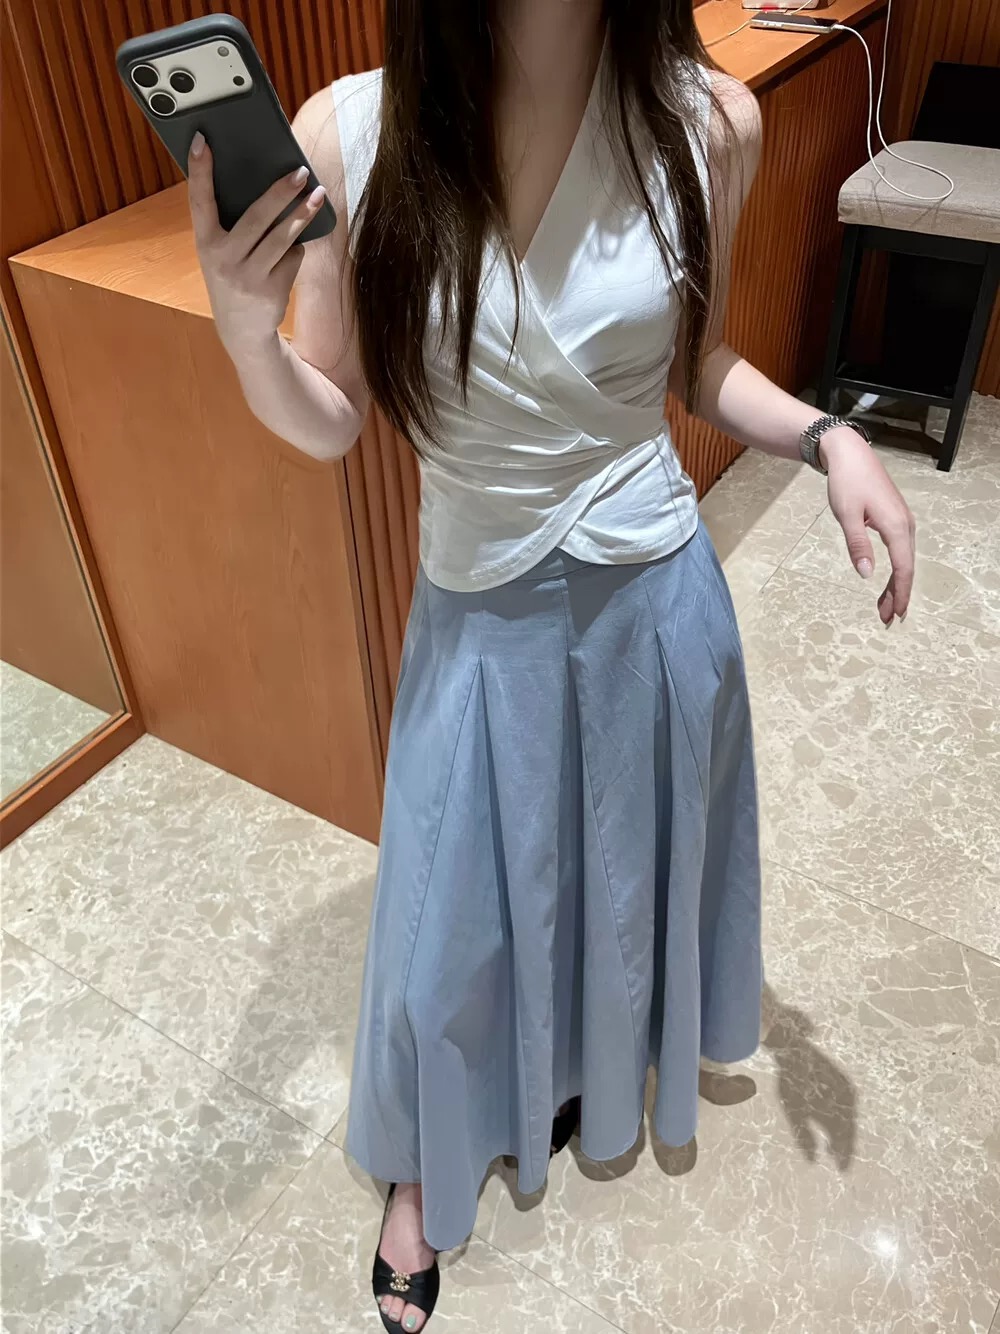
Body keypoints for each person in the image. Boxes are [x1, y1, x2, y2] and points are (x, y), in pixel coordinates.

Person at [187, 2, 916, 1328]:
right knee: (444, 923)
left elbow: (698, 361)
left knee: (611, 879)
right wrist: (247, 338)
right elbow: (335, 414)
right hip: (478, 608)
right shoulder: (355, 134)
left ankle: (575, 1066)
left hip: (656, 598)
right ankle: (422, 1166)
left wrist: (831, 438)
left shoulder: (711, 122)